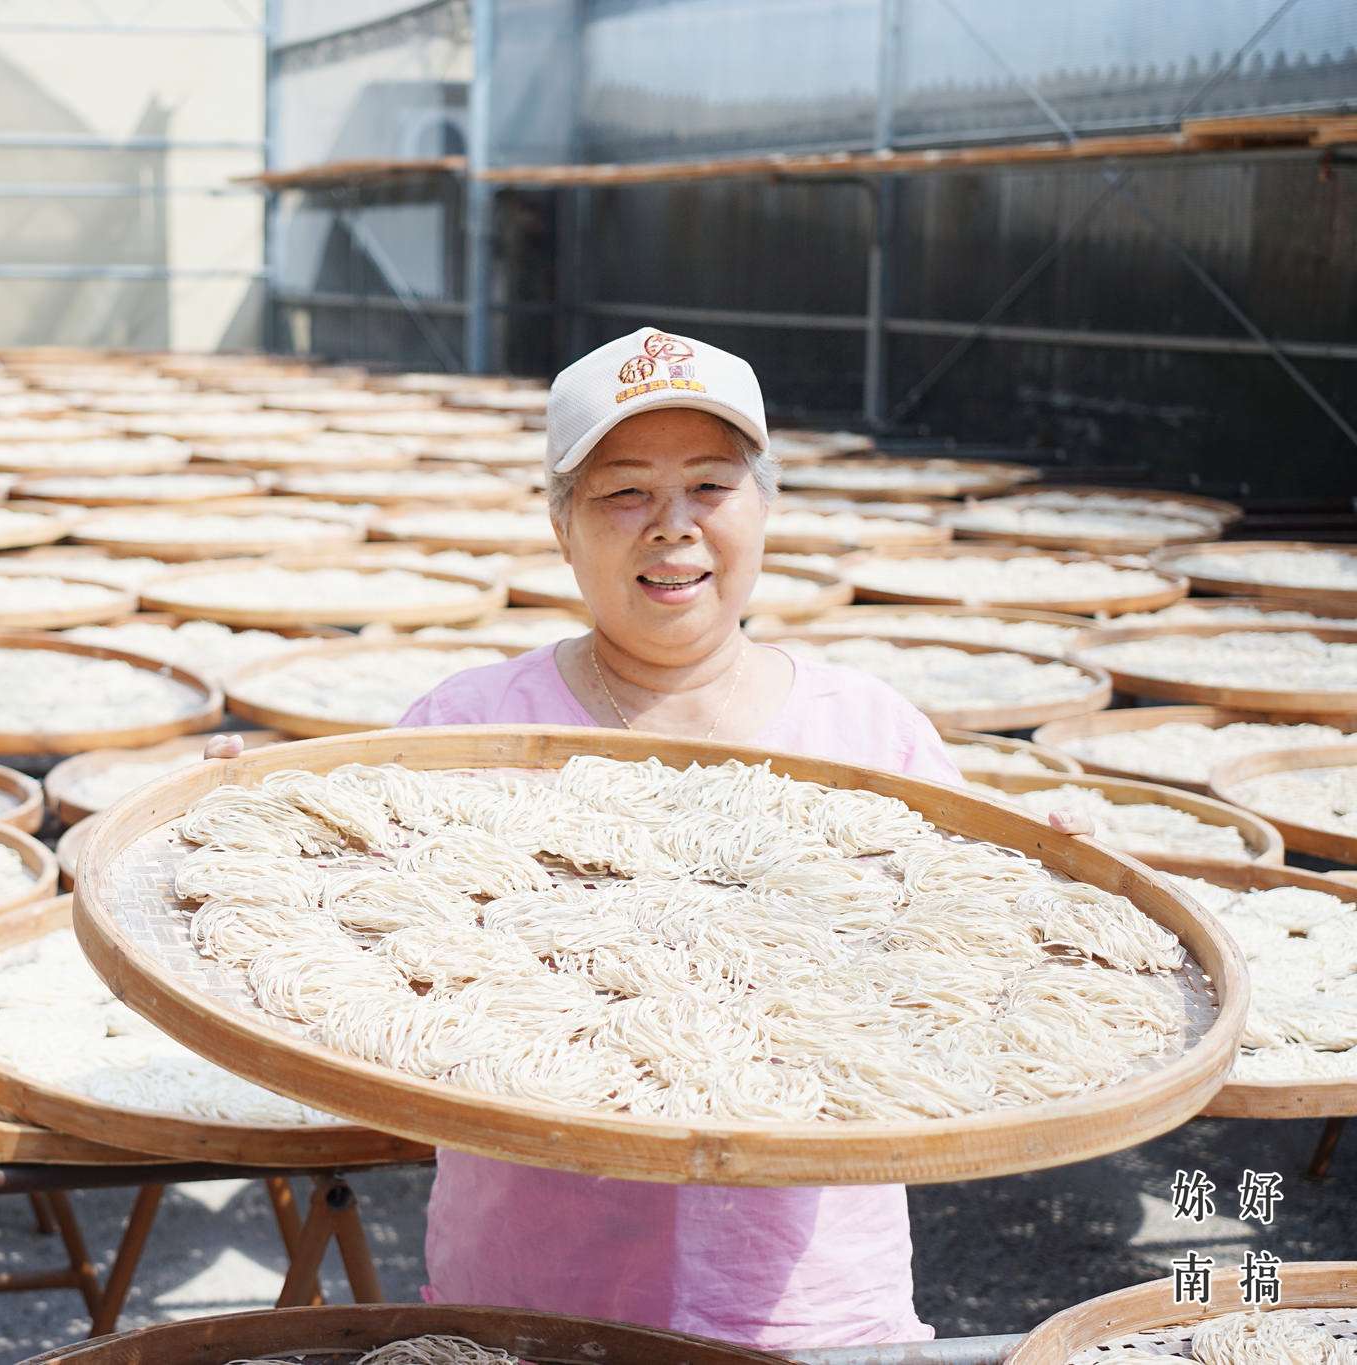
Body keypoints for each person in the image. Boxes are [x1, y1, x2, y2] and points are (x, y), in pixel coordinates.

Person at [205, 327, 1086, 1348]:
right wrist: (250, 836)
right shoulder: (468, 730)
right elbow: (343, 946)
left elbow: (972, 978)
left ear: (763, 509)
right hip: (537, 1289)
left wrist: (1054, 894)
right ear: (559, 523)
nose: (672, 529)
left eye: (709, 487)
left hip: (803, 1303)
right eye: (624, 492)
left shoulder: (865, 734)